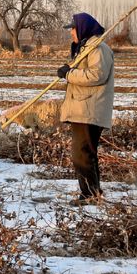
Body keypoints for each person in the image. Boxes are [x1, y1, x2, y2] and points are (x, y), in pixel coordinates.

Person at [56, 12, 114, 205]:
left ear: (82, 29)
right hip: (83, 109)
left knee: (81, 154)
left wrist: (69, 74)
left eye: (72, 29)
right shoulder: (86, 48)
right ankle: (93, 193)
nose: (71, 32)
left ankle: (89, 195)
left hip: (89, 110)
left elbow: (97, 75)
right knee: (86, 153)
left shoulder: (98, 49)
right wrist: (69, 70)